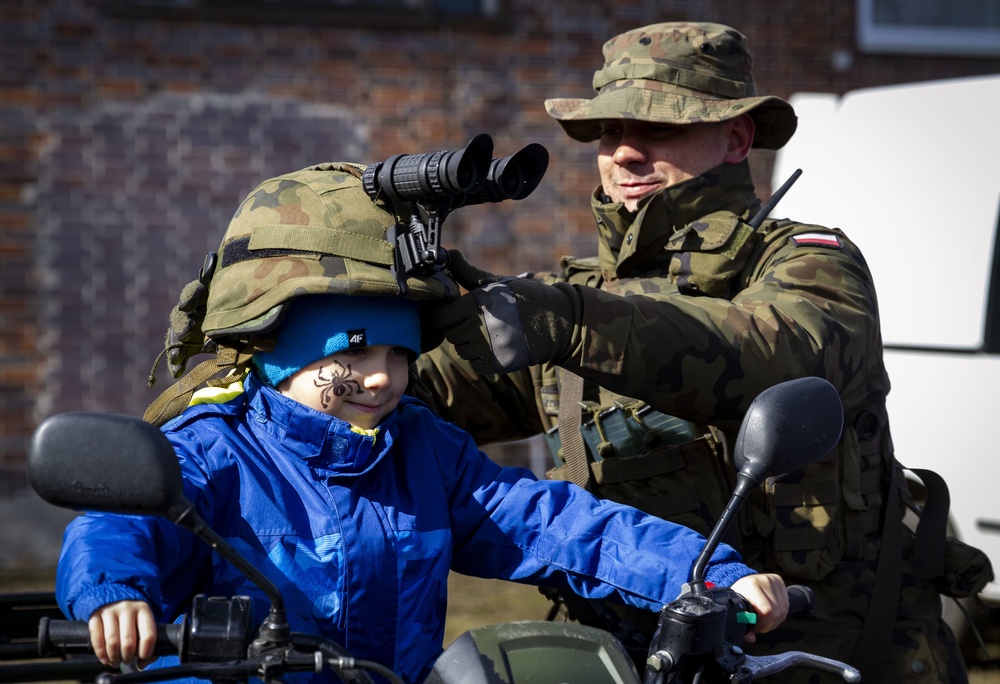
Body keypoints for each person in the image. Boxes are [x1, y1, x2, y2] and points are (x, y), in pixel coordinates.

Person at [54, 162, 789, 684]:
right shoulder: (214, 452)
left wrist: (703, 573)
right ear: (271, 343)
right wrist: (115, 591)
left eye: (400, 353)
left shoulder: (422, 452)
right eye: (354, 349)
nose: (383, 376)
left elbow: (554, 523)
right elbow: (117, 523)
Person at [411, 21, 984, 684]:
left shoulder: (805, 262)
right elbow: (426, 396)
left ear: (737, 136)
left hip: (820, 654)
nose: (624, 153)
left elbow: (777, 349)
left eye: (658, 128)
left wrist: (569, 322)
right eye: (608, 132)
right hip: (636, 654)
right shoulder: (571, 296)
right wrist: (370, 340)